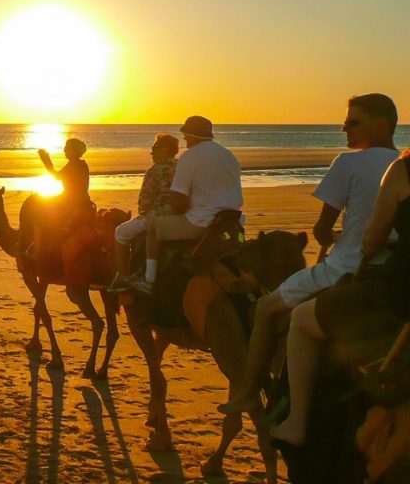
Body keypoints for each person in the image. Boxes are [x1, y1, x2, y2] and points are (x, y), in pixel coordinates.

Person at [219, 94, 400, 416]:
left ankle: (248, 392)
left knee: (265, 307)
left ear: (381, 124)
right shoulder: (403, 165)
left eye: (353, 122)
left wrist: (332, 238)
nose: (345, 128)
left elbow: (321, 229)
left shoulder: (348, 163)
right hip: (394, 269)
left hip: (345, 266)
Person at [270, 148, 410, 449]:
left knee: (303, 319)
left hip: (400, 291)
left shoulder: (402, 170)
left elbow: (372, 238)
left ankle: (296, 423)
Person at [132, 115, 242, 294]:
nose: (185, 140)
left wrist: (170, 211)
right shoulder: (227, 155)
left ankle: (149, 280)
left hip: (200, 223)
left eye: (186, 137)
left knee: (153, 225)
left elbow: (179, 201)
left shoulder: (190, 157)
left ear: (190, 136)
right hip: (232, 223)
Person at [107, 133, 180, 292]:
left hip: (158, 215)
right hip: (181, 215)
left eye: (155, 148)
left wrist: (143, 212)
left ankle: (122, 276)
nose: (151, 152)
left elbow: (145, 201)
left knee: (120, 232)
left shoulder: (155, 170)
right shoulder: (182, 166)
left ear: (166, 149)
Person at [39, 137, 91, 207]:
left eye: (67, 148)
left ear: (73, 150)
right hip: (78, 199)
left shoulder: (75, 164)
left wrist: (46, 160)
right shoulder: (77, 163)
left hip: (73, 202)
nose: (64, 150)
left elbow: (57, 177)